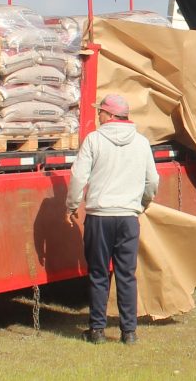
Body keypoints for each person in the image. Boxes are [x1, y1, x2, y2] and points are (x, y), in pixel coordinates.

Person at [66, 93, 159, 345]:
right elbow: (152, 180)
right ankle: (129, 332)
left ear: (109, 115)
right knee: (126, 274)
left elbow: (78, 177)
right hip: (128, 217)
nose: (98, 115)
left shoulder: (94, 140)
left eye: (101, 111)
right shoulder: (141, 142)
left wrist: (72, 205)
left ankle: (97, 330)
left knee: (98, 273)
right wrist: (142, 203)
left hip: (99, 216)